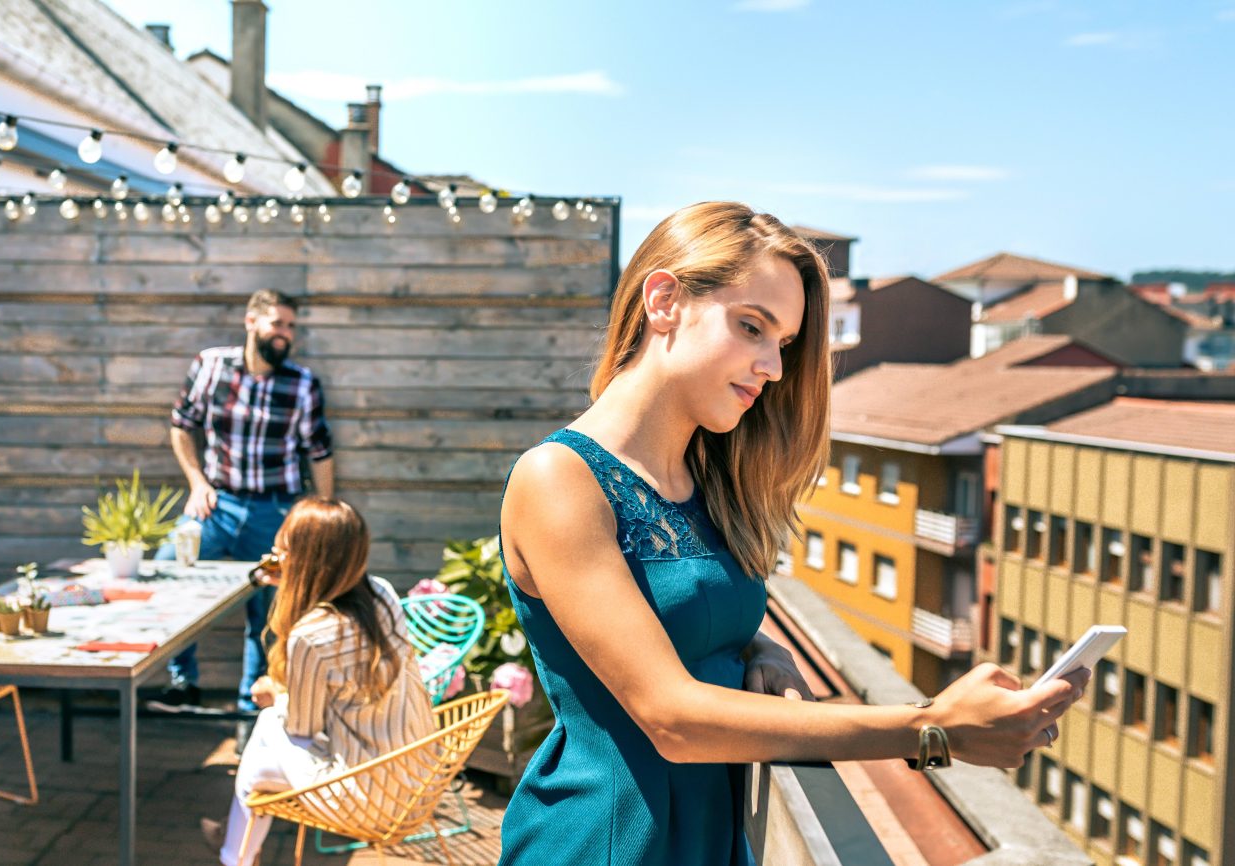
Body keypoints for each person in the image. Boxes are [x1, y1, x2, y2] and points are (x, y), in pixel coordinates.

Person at [495, 202, 1090, 865]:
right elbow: (672, 717)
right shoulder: (558, 479)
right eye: (752, 327)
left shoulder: (705, 480)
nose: (773, 367)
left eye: (782, 343)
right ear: (663, 301)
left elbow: (671, 607)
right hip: (605, 842)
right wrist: (934, 728)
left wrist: (758, 642)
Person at [199, 497, 433, 866]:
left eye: (283, 552)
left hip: (370, 795)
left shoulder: (312, 635)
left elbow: (302, 727)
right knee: (260, 757)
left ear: (305, 562)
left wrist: (275, 696)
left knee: (266, 731)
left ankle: (236, 853)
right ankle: (233, 848)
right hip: (418, 777)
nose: (277, 559)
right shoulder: (382, 593)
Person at [155, 289, 335, 714]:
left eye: (290, 326)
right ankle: (183, 682)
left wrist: (323, 515)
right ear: (251, 322)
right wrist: (197, 482)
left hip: (276, 512)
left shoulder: (302, 383)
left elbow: (320, 452)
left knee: (269, 613)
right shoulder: (211, 365)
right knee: (168, 567)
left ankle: (251, 709)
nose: (284, 334)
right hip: (217, 506)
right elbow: (182, 426)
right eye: (277, 323)